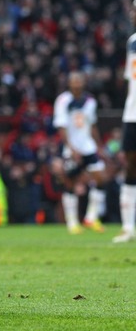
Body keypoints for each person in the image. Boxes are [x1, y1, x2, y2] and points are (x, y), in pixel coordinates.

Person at [53, 71, 108, 234]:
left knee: (100, 178)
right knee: (70, 182)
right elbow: (61, 126)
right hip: (72, 148)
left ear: (83, 83)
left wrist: (99, 145)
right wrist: (70, 148)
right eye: (74, 81)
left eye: (79, 81)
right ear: (69, 84)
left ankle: (91, 218)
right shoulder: (63, 101)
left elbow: (92, 125)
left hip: (88, 146)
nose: (77, 84)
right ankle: (72, 223)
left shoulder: (90, 101)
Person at [114, 0, 136, 243]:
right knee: (130, 165)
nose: (132, 15)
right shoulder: (132, 42)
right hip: (132, 112)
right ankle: (128, 228)